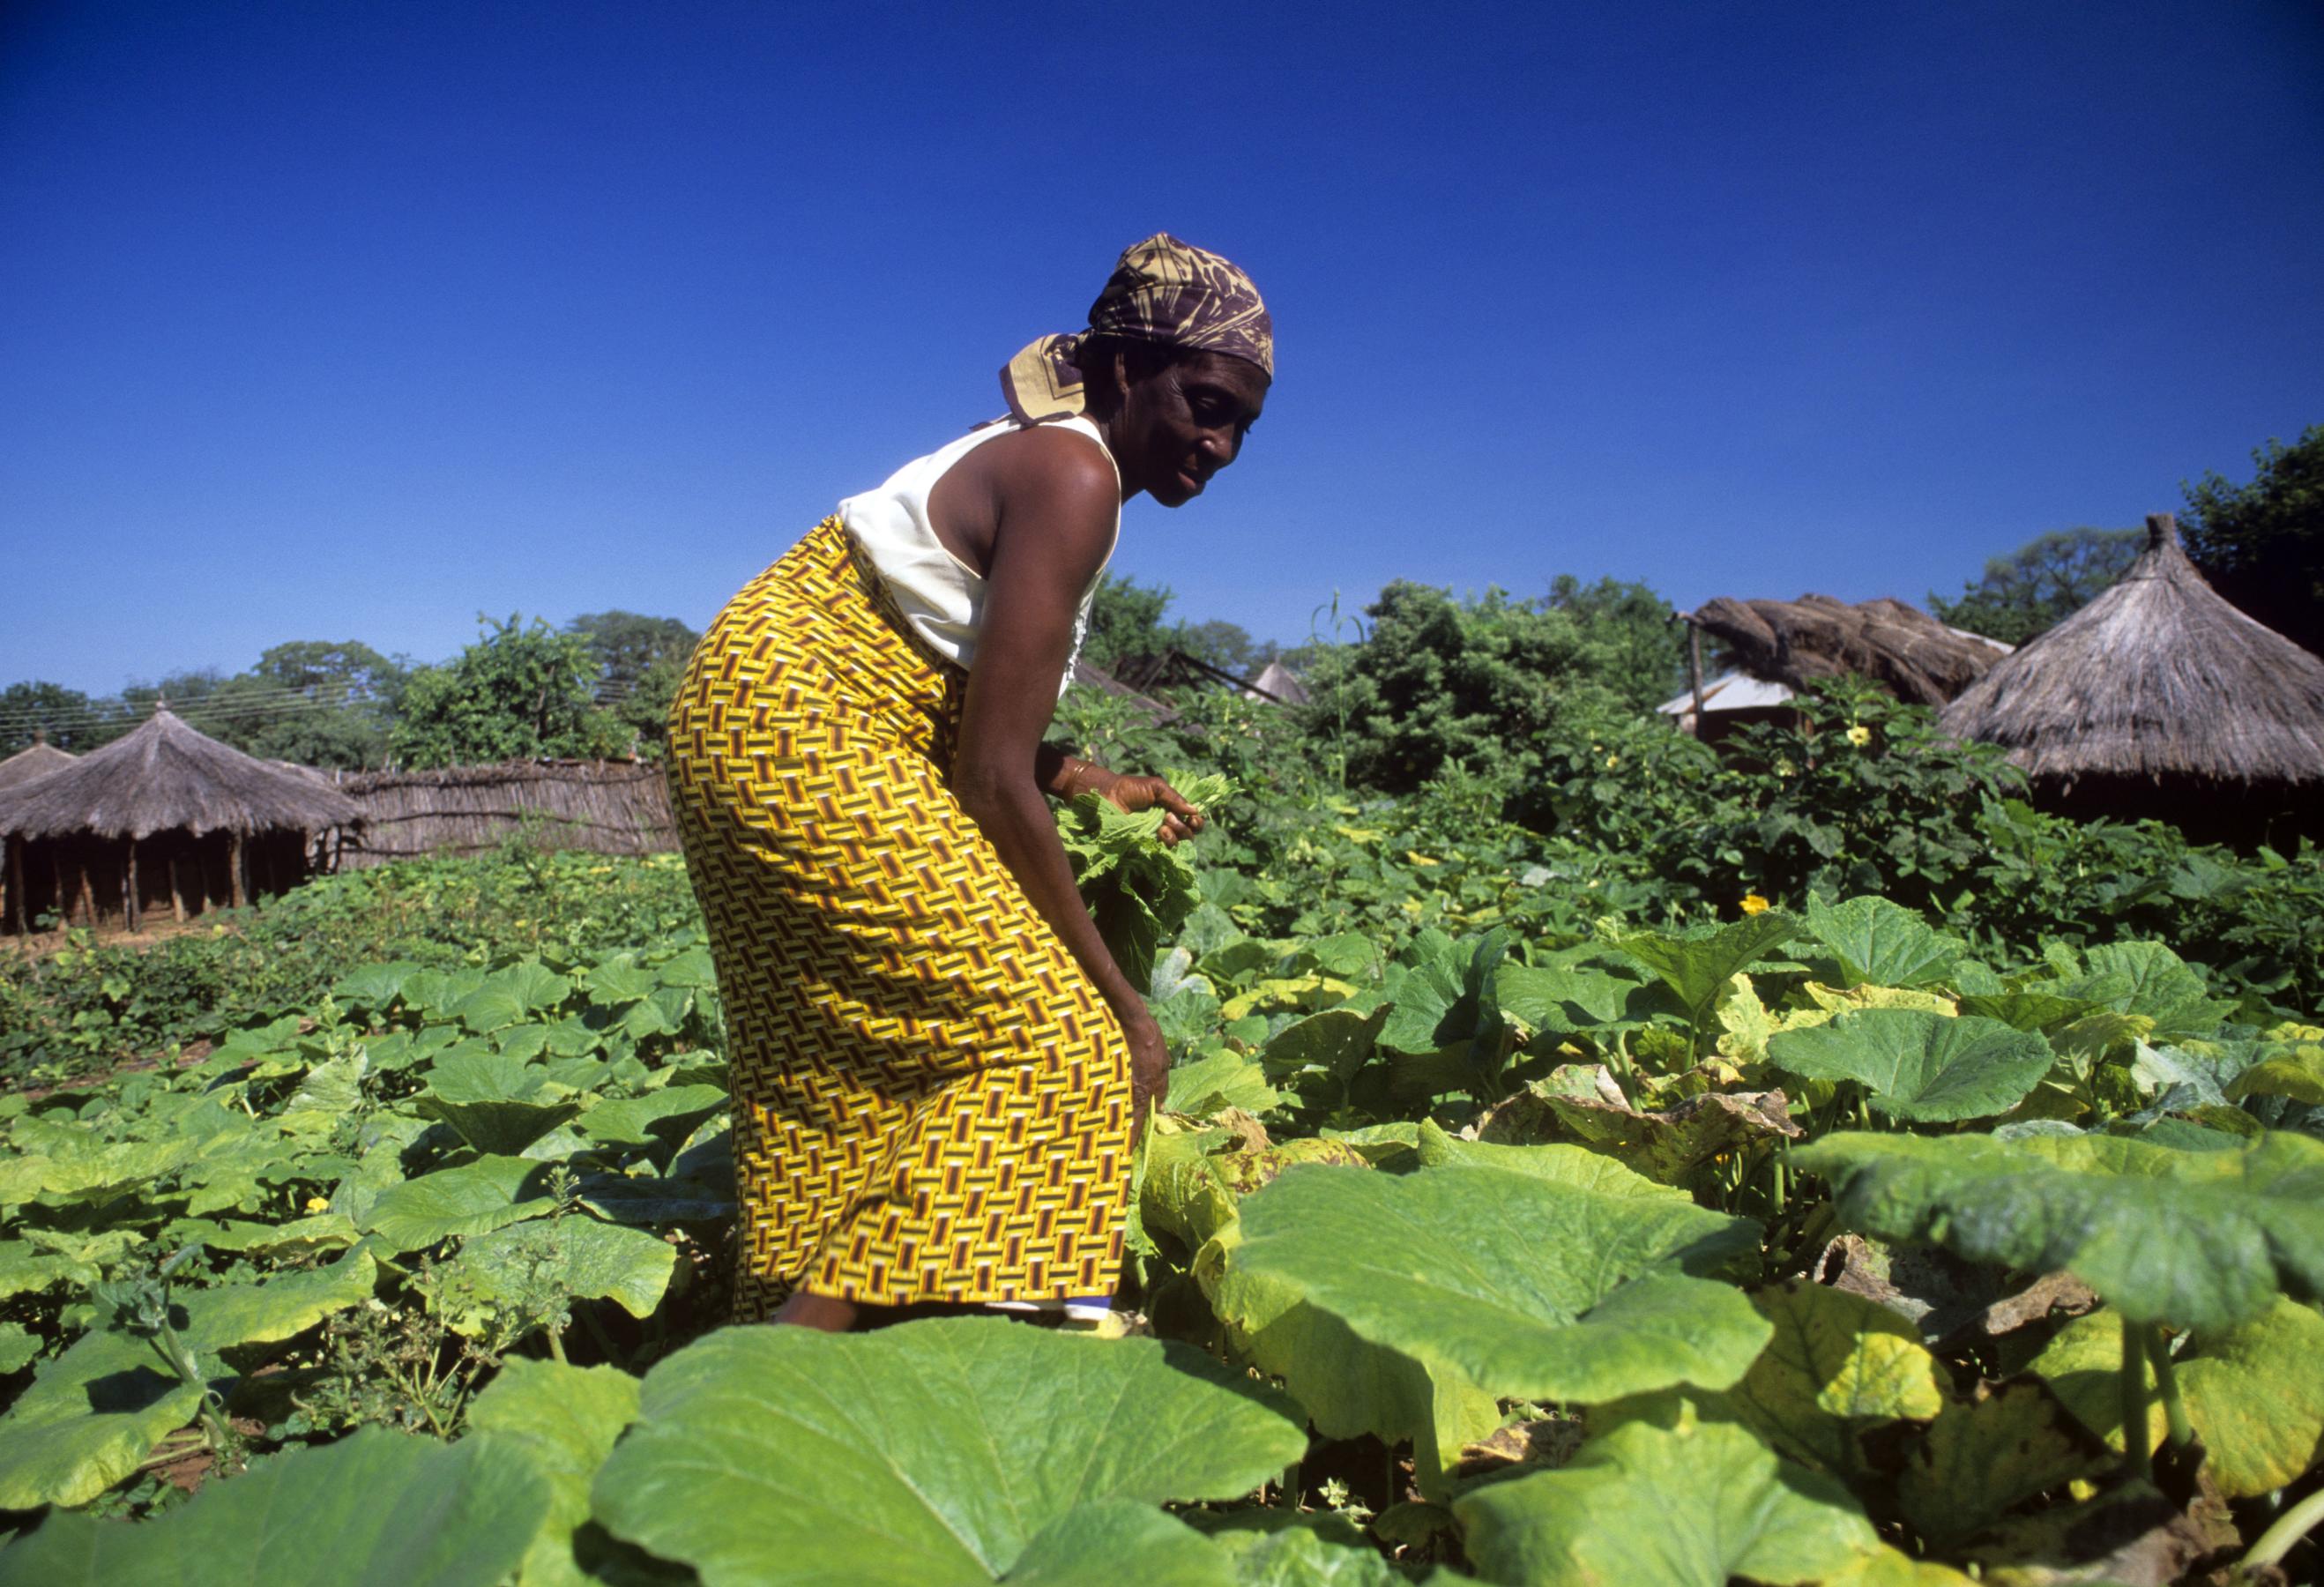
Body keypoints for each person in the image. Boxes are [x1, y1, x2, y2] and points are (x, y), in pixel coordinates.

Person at [666, 235, 1271, 1331]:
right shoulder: (1074, 472)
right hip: (800, 720)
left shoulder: (1055, 458)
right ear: (1129, 370)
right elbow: (989, 783)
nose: (1221, 445)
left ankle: (807, 1354)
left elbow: (951, 696)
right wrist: (1125, 1008)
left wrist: (1085, 777)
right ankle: (761, 1402)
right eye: (1205, 402)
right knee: (1069, 1043)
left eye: (1243, 425)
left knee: (845, 1061)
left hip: (766, 706)